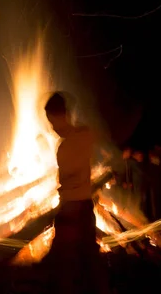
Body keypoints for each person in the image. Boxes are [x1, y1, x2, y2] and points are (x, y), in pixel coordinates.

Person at [43, 92, 109, 294]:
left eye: (52, 122)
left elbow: (68, 179)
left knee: (65, 264)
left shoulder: (65, 147)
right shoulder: (85, 134)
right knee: (89, 257)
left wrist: (62, 185)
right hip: (85, 206)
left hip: (71, 208)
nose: (52, 128)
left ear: (60, 116)